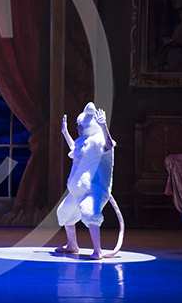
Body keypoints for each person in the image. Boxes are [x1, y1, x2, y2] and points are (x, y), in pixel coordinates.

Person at [56, 102, 115, 260]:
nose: (79, 128)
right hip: (77, 190)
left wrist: (103, 126)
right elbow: (74, 150)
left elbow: (108, 145)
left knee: (90, 214)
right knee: (64, 213)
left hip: (93, 189)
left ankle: (97, 250)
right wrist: (65, 132)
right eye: (78, 125)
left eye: (81, 125)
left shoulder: (97, 140)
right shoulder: (81, 141)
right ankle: (72, 245)